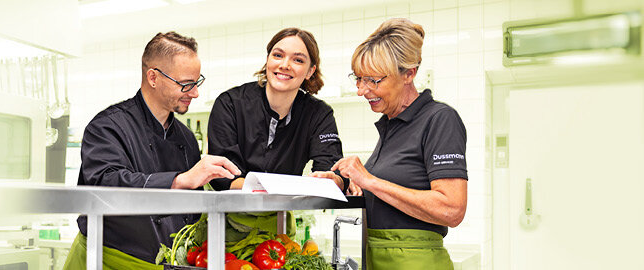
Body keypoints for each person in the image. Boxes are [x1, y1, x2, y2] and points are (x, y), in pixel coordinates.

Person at [63, 31, 242, 270]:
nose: (195, 93)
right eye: (186, 84)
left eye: (197, 83)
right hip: (105, 261)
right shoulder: (107, 126)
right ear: (153, 77)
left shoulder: (186, 137)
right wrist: (179, 180)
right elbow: (106, 183)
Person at [323, 18, 468, 270]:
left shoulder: (439, 119)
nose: (361, 90)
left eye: (373, 80)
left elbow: (452, 209)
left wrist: (370, 180)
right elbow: (393, 191)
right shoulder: (391, 124)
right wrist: (347, 183)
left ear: (408, 74)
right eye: (358, 79)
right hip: (379, 258)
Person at [208, 27, 354, 194]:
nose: (285, 65)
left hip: (282, 216)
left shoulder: (318, 114)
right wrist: (269, 188)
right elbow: (222, 174)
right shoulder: (230, 103)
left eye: (298, 60)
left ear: (310, 71)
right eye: (278, 55)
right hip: (226, 214)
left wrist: (337, 180)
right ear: (268, 59)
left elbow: (331, 169)